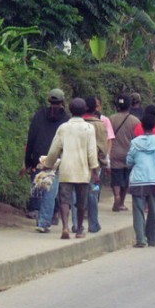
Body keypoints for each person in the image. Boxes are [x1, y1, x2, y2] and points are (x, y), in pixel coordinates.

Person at [41, 98, 99, 240]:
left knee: (64, 200)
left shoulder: (63, 128)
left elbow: (55, 149)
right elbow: (92, 152)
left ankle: (65, 227)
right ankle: (79, 229)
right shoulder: (89, 128)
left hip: (66, 168)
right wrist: (95, 170)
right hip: (83, 170)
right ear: (85, 110)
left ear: (70, 110)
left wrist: (48, 164)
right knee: (81, 202)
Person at [22, 88, 70, 233]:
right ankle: (44, 220)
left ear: (49, 100)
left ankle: (41, 214)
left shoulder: (39, 115)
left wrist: (28, 161)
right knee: (51, 190)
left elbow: (31, 138)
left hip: (38, 158)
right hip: (57, 159)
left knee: (40, 188)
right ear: (62, 101)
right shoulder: (66, 119)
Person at [126, 108, 155, 247]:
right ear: (154, 126)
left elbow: (129, 161)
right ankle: (153, 238)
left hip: (138, 181)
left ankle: (140, 239)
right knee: (153, 209)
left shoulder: (135, 143)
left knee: (138, 210)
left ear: (142, 126)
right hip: (154, 180)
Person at [74, 96, 109, 233]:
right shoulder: (99, 125)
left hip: (76, 162)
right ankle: (93, 224)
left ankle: (76, 224)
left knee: (76, 193)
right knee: (92, 194)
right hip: (94, 165)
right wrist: (101, 162)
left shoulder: (74, 124)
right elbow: (104, 148)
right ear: (96, 108)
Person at [109, 95, 140, 212]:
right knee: (126, 179)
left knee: (116, 177)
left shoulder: (111, 119)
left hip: (115, 152)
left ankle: (116, 196)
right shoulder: (135, 121)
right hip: (129, 153)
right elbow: (138, 138)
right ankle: (121, 202)